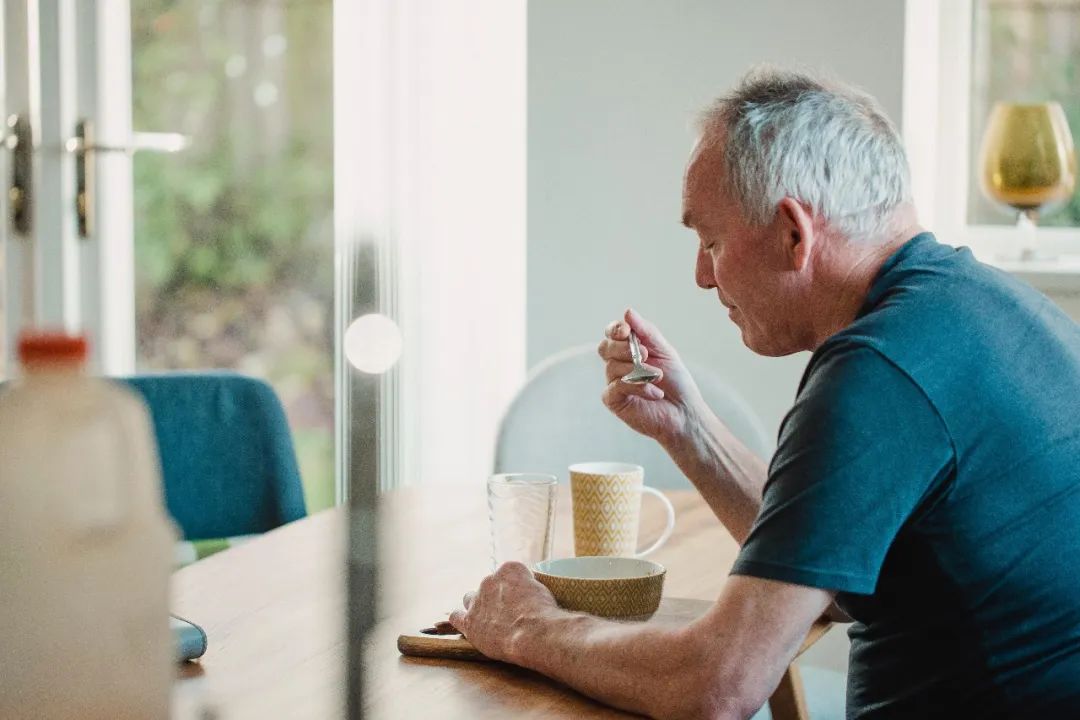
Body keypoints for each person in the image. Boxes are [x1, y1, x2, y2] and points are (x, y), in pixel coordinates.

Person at [449, 67, 1080, 718]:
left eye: (711, 240)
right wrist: (687, 427)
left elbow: (717, 686)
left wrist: (527, 628)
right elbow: (828, 579)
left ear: (793, 233)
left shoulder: (878, 374)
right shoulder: (983, 307)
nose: (701, 275)